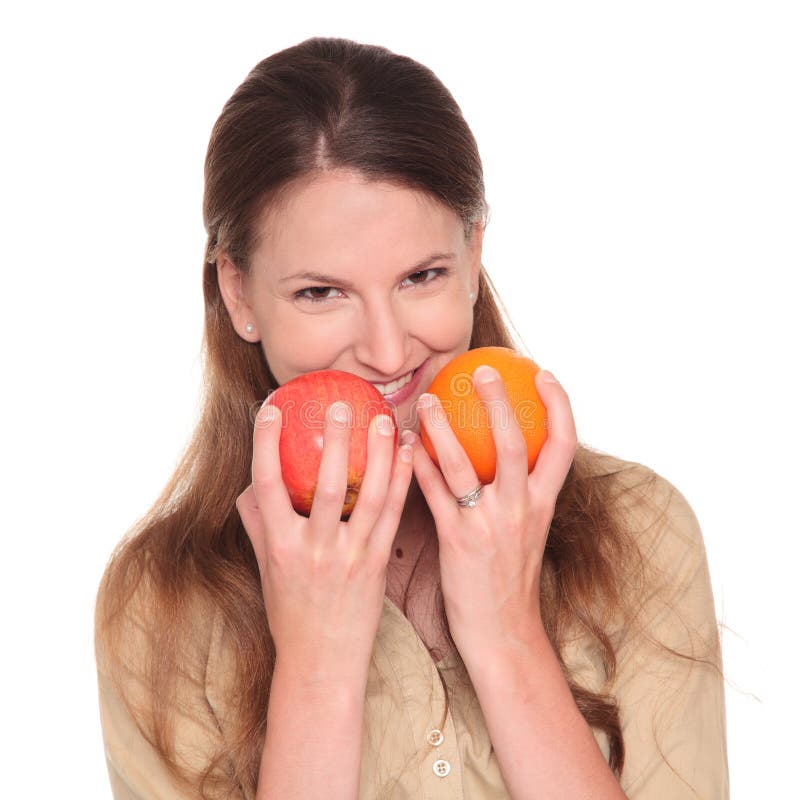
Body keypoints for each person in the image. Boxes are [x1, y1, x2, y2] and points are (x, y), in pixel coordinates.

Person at [93, 37, 729, 799]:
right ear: (238, 295)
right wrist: (317, 672)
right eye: (320, 293)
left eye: (423, 276)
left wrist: (507, 637)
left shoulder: (640, 531)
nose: (390, 351)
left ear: (473, 258)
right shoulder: (159, 607)